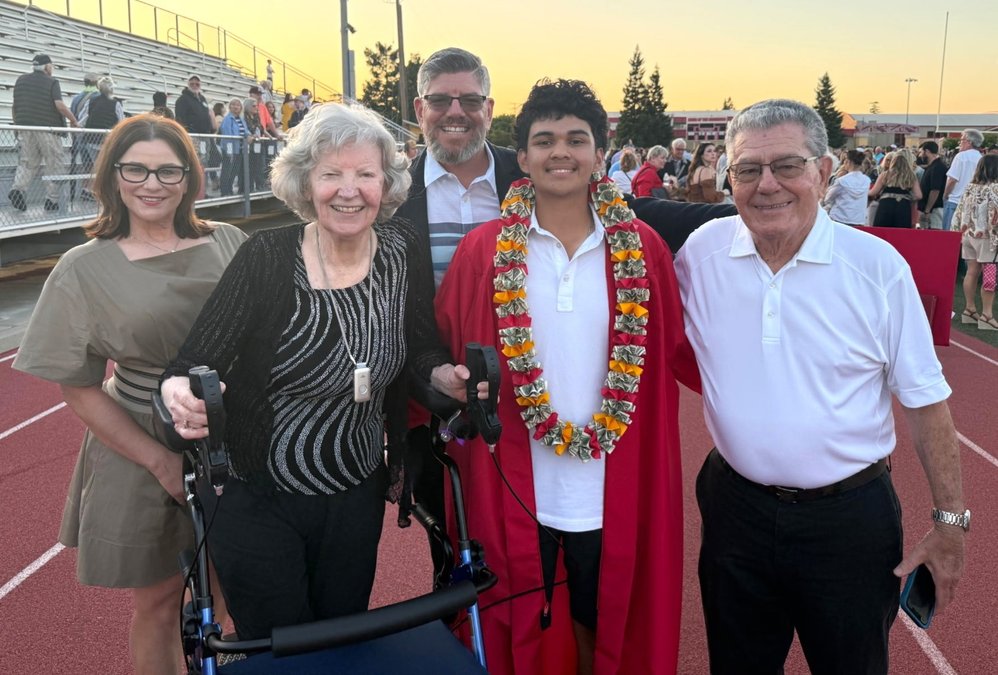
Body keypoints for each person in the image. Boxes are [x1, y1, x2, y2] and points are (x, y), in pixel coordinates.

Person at [675, 98, 966, 675]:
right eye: (748, 170)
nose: (767, 185)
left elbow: (926, 403)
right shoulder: (702, 253)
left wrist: (950, 524)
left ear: (824, 171)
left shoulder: (876, 268)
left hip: (847, 522)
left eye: (787, 165)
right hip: (735, 511)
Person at [159, 102, 467, 640]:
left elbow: (419, 345)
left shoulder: (403, 249)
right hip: (261, 492)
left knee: (342, 638)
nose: (349, 191)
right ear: (306, 182)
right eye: (331, 175)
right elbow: (189, 364)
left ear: (386, 183)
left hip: (355, 490)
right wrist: (179, 392)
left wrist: (443, 376)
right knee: (281, 646)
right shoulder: (267, 257)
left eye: (365, 174)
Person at [434, 78, 699, 675]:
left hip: (615, 481)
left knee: (603, 623)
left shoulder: (644, 250)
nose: (561, 152)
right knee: (521, 622)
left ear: (600, 154)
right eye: (544, 140)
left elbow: (676, 354)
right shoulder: (483, 252)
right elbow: (445, 350)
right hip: (515, 481)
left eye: (577, 140)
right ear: (522, 157)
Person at [12, 114, 247, 675]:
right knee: (161, 602)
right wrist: (159, 461)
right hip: (143, 440)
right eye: (136, 169)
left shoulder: (229, 242)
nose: (152, 184)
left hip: (235, 433)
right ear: (113, 176)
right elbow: (78, 387)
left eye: (168, 171)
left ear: (189, 178)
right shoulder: (83, 268)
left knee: (240, 587)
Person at [393, 47, 524, 557]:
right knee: (451, 544)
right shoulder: (392, 195)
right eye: (440, 100)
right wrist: (432, 374)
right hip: (433, 399)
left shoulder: (528, 175)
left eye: (469, 100)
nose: (455, 112)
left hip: (530, 390)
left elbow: (627, 211)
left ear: (488, 109)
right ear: (420, 109)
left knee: (531, 535)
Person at [9, 53, 79, 212]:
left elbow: (15, 106)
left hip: (25, 128)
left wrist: (17, 126)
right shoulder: (52, 82)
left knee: (27, 162)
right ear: (47, 66)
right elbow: (59, 105)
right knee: (54, 162)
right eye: (51, 66)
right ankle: (52, 200)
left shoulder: (21, 80)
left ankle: (18, 189)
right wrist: (74, 121)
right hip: (48, 129)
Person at [953, 154, 998, 330]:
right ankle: (987, 314)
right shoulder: (995, 188)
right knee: (990, 275)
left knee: (971, 272)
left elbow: (959, 211)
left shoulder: (970, 187)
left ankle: (970, 309)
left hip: (969, 235)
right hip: (989, 238)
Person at [943, 129, 984, 231]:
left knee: (949, 233)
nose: (960, 143)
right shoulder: (981, 158)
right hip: (972, 202)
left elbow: (952, 179)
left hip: (955, 200)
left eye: (962, 140)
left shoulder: (961, 156)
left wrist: (945, 195)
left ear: (969, 142)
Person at [869, 151, 922, 228]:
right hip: (903, 205)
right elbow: (919, 195)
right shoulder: (911, 176)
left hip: (886, 204)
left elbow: (873, 192)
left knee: (882, 230)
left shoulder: (885, 175)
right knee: (901, 231)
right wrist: (908, 197)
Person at [823, 148, 870, 226]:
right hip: (858, 219)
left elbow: (828, 198)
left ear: (849, 162)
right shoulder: (866, 180)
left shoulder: (842, 181)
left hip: (839, 218)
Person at [218, 98, 248, 196]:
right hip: (230, 149)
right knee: (227, 170)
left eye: (238, 105)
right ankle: (224, 191)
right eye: (233, 104)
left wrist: (250, 135)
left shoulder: (241, 119)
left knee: (234, 171)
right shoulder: (228, 119)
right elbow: (227, 136)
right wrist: (229, 151)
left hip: (239, 149)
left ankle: (229, 189)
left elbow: (245, 131)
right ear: (230, 106)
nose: (236, 106)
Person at [917, 141, 947, 229]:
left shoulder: (937, 167)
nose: (920, 155)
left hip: (934, 210)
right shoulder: (932, 167)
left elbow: (935, 190)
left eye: (921, 152)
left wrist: (927, 210)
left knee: (933, 233)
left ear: (927, 151)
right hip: (930, 209)